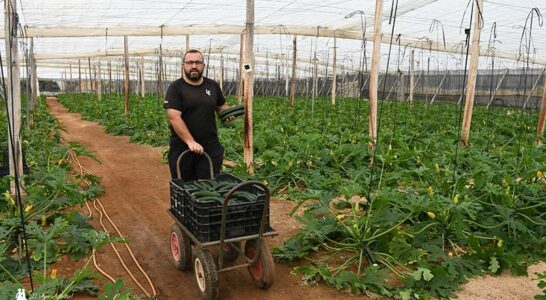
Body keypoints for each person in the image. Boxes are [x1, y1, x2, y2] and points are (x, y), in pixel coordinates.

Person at [164, 49, 230, 181]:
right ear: (183, 65)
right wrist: (190, 141)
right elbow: (174, 118)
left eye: (198, 62)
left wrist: (228, 115)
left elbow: (222, 106)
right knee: (185, 189)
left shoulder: (212, 85)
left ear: (203, 65)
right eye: (190, 62)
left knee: (209, 188)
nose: (194, 66)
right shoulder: (176, 88)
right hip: (183, 147)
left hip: (210, 147)